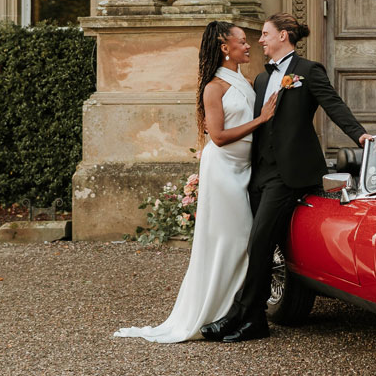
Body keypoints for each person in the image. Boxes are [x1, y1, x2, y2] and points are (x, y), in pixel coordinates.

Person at [201, 13, 371, 343]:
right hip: (259, 172)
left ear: (284, 35)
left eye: (265, 34)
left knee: (260, 240)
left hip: (290, 173)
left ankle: (247, 316)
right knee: (258, 244)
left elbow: (333, 105)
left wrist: (360, 135)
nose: (260, 40)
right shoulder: (262, 81)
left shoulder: (308, 71)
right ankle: (249, 315)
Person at [113, 22, 275, 343]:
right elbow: (217, 136)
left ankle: (234, 310)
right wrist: (262, 120)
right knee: (235, 238)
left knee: (244, 240)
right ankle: (220, 311)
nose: (248, 46)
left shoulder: (243, 80)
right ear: (225, 48)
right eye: (242, 42)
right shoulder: (214, 87)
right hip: (223, 170)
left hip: (244, 168)